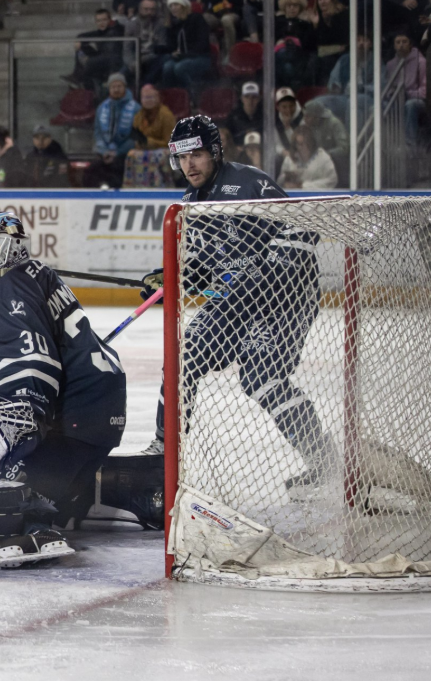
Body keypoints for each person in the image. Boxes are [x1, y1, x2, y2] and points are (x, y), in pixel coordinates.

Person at [130, 115, 335, 495]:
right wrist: (173, 278)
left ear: (215, 152)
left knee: (261, 377)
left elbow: (302, 230)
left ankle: (324, 461)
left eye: (197, 155)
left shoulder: (249, 183)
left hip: (283, 301)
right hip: (235, 300)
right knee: (184, 356)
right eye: (182, 157)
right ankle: (164, 452)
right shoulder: (191, 202)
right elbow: (209, 269)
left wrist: (266, 277)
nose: (189, 165)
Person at [0, 211, 127, 567]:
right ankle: (61, 505)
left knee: (10, 490)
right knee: (23, 478)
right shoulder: (35, 275)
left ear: (13, 249)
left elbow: (30, 353)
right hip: (100, 413)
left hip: (75, 417)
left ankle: (34, 525)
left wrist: (25, 408)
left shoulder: (6, 289)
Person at [90, 72, 140, 188]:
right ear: (109, 89)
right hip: (105, 151)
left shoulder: (135, 108)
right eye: (113, 87)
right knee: (92, 169)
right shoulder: (102, 107)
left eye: (119, 86)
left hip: (126, 152)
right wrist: (104, 151)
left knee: (117, 167)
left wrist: (117, 152)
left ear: (125, 87)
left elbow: (135, 136)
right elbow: (98, 133)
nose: (116, 89)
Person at [123, 83, 175, 187]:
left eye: (151, 97)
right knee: (131, 154)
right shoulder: (139, 116)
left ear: (157, 98)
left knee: (157, 156)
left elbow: (170, 143)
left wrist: (149, 142)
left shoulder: (166, 115)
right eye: (145, 97)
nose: (148, 100)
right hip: (145, 149)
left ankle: (159, 186)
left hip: (165, 150)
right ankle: (133, 188)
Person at [153, 0, 211, 92]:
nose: (173, 8)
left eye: (176, 4)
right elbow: (172, 46)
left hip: (201, 57)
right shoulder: (174, 25)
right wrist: (162, 50)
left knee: (180, 67)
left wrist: (185, 54)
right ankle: (171, 95)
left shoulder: (196, 18)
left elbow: (202, 43)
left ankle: (192, 94)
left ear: (184, 6)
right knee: (167, 67)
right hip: (183, 57)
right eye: (171, 6)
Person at [62, 9, 125, 90]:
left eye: (104, 20)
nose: (101, 23)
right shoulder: (100, 32)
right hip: (101, 58)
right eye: (98, 21)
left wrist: (115, 23)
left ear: (110, 20)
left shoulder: (116, 29)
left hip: (112, 62)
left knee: (89, 64)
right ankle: (76, 75)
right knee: (81, 47)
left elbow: (120, 28)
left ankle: (81, 82)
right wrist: (79, 41)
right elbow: (82, 36)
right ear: (96, 22)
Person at [386, 31, 428, 146]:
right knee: (380, 107)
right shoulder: (390, 65)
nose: (401, 45)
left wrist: (407, 94)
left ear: (410, 44)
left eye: (404, 42)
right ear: (394, 45)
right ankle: (388, 143)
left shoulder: (421, 62)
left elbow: (424, 91)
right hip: (396, 100)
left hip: (417, 100)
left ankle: (409, 144)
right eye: (398, 42)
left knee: (410, 105)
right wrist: (393, 94)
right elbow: (388, 87)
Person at [301, 99, 347, 183]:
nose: (305, 119)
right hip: (312, 161)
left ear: (316, 117)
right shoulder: (304, 125)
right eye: (304, 116)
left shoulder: (334, 123)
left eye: (308, 116)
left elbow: (344, 148)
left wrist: (325, 155)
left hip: (332, 161)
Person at [274, 0, 316, 89]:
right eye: (289, 6)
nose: (292, 8)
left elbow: (309, 46)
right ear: (285, 7)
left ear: (300, 8)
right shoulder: (277, 22)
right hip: (280, 55)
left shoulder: (304, 24)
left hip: (298, 56)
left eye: (295, 6)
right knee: (287, 67)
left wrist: (313, 24)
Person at [123, 0, 166, 84]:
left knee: (163, 61)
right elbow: (127, 49)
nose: (149, 12)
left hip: (153, 58)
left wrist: (144, 59)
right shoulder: (131, 25)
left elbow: (162, 45)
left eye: (152, 9)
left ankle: (145, 88)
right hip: (136, 59)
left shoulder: (161, 24)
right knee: (121, 75)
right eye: (146, 9)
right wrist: (132, 63)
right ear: (140, 10)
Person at [273, 86, 302, 157]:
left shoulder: (302, 117)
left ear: (295, 104)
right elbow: (275, 145)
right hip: (285, 155)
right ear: (278, 107)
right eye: (284, 107)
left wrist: (289, 128)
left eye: (291, 106)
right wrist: (284, 152)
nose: (288, 110)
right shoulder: (276, 121)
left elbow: (304, 142)